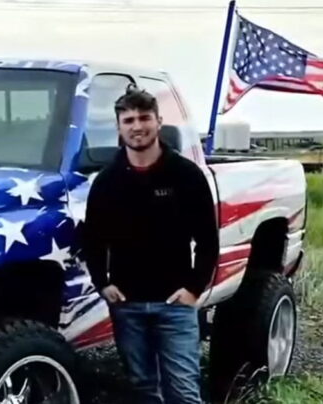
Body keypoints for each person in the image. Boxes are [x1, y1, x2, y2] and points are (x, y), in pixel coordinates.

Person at [83, 86, 219, 404]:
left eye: (144, 117)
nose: (137, 126)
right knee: (143, 390)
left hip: (175, 305)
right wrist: (102, 283)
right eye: (128, 120)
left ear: (159, 122)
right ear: (118, 127)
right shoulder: (107, 181)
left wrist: (194, 289)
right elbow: (93, 239)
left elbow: (208, 240)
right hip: (127, 306)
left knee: (184, 391)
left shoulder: (186, 175)